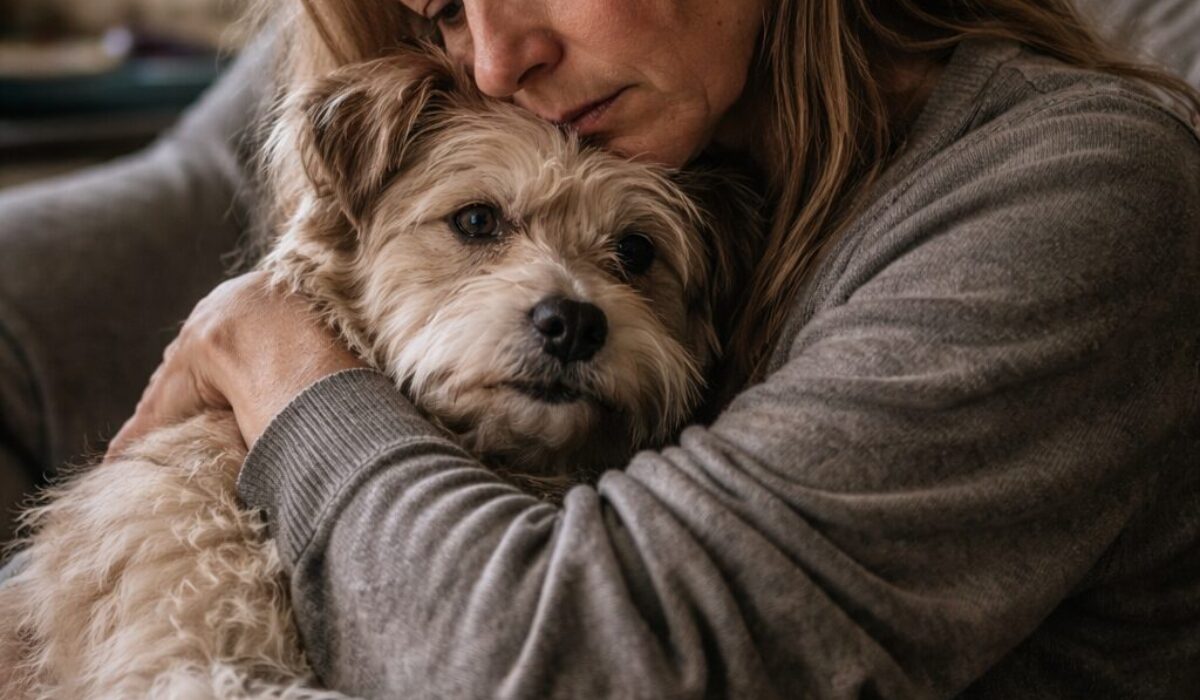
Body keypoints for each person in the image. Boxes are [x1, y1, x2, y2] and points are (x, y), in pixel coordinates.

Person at [2, 0, 1199, 697]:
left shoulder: (1077, 195)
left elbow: (578, 657)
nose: (491, 58)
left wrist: (280, 367)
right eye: (442, 6)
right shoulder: (668, 130)